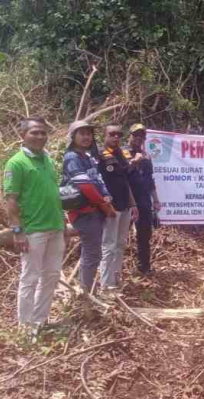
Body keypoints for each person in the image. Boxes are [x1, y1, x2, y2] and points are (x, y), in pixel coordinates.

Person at [4, 117, 66, 335]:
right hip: (33, 230)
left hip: (56, 227)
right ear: (22, 135)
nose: (40, 137)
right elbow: (11, 200)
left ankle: (39, 323)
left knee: (51, 276)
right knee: (29, 279)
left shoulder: (47, 159)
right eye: (35, 133)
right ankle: (25, 329)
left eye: (43, 133)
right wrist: (18, 231)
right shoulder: (16, 162)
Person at [62, 121, 116, 293]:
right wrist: (104, 205)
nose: (86, 137)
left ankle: (87, 289)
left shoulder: (87, 157)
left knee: (93, 253)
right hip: (84, 213)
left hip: (95, 211)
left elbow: (97, 181)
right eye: (81, 133)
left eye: (88, 134)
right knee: (92, 254)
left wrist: (106, 198)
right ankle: (85, 293)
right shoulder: (72, 157)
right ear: (73, 137)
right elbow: (85, 186)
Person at [98, 124, 139, 296]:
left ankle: (115, 281)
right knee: (109, 245)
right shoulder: (100, 155)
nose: (115, 137)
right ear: (105, 136)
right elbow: (97, 183)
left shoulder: (122, 154)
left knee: (121, 244)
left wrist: (133, 204)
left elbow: (125, 181)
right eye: (112, 134)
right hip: (110, 208)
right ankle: (105, 285)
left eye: (118, 135)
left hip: (125, 206)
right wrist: (105, 206)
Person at [124, 123, 161, 276]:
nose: (139, 138)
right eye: (136, 135)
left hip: (144, 201)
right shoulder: (122, 152)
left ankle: (144, 267)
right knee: (118, 237)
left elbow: (150, 180)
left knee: (144, 235)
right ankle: (115, 272)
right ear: (129, 136)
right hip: (126, 202)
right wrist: (134, 161)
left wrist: (156, 200)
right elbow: (121, 175)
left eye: (142, 136)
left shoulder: (146, 156)